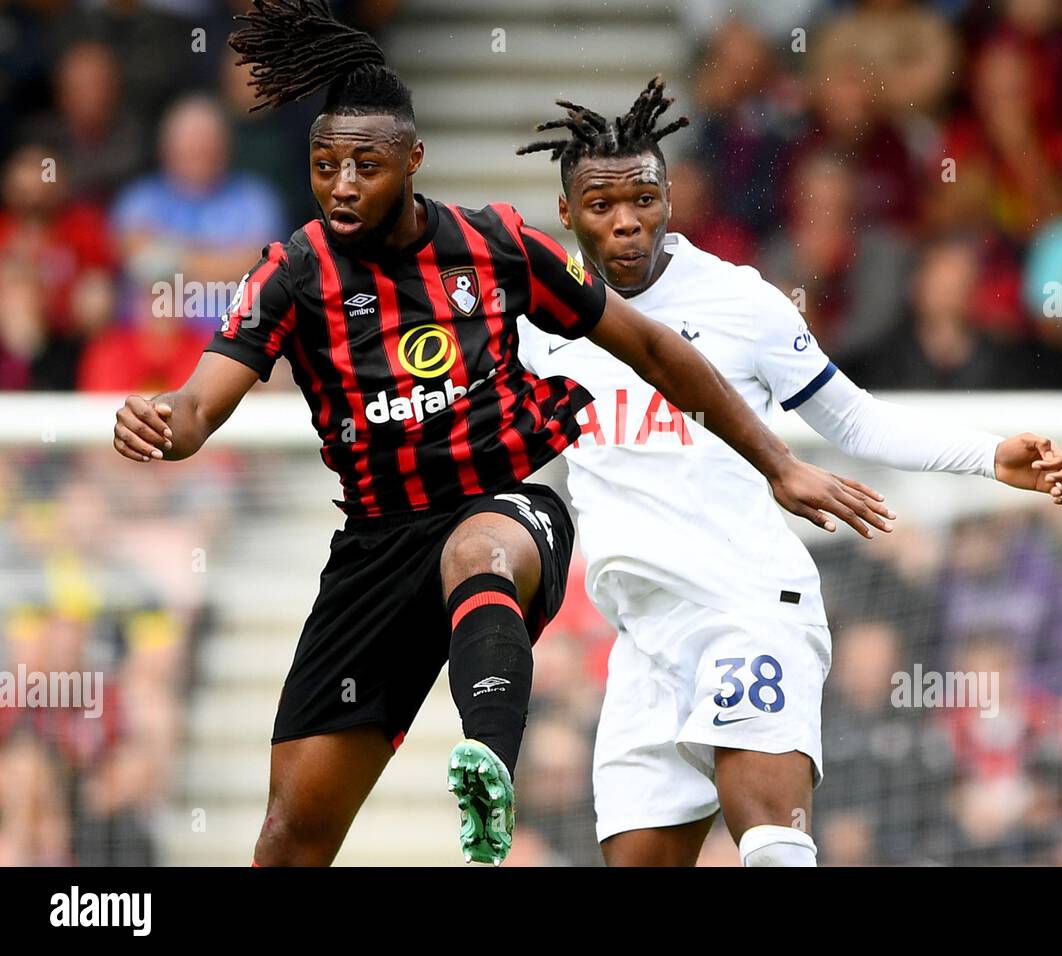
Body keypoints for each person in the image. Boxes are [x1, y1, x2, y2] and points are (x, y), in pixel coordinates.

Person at [109, 1, 883, 867]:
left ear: (414, 160)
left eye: (365, 164)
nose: (342, 186)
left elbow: (655, 348)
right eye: (325, 165)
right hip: (374, 546)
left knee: (476, 552)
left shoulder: (496, 247)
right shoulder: (293, 272)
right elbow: (197, 409)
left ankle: (487, 767)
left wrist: (778, 464)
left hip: (506, 505)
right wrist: (160, 423)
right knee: (291, 837)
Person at [515, 78, 1062, 867]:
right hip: (643, 641)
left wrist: (988, 455)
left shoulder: (740, 302)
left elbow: (853, 419)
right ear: (569, 214)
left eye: (643, 197)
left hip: (748, 606)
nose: (626, 221)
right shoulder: (539, 323)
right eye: (602, 205)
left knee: (775, 849)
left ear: (671, 197)